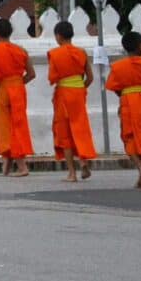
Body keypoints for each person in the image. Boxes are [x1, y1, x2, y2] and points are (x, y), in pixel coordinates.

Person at [106, 31, 141, 189]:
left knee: (128, 136)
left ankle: (139, 165)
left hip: (127, 102)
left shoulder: (117, 66)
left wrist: (126, 94)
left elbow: (115, 88)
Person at [47, 21, 96, 182]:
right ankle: (83, 161)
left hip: (63, 94)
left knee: (65, 133)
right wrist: (81, 88)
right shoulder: (81, 52)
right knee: (80, 129)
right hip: (78, 93)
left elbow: (52, 78)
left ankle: (72, 173)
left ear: (58, 36)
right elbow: (90, 78)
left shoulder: (55, 53)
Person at [0, 18, 36, 177]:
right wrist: (18, 82)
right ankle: (8, 162)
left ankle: (21, 166)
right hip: (18, 88)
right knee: (19, 124)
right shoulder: (21, 50)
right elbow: (31, 74)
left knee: (5, 126)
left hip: (3, 89)